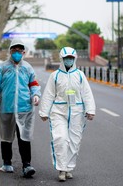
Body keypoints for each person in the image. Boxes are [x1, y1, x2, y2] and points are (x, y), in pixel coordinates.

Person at [0, 39, 41, 178]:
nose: (17, 53)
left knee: (24, 137)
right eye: (14, 50)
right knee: (6, 137)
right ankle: (6, 163)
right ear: (10, 51)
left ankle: (27, 165)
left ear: (23, 52)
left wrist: (35, 94)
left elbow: (34, 83)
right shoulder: (2, 68)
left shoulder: (28, 68)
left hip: (24, 109)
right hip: (6, 108)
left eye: (19, 50)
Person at [39, 47, 96, 182]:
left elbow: (86, 94)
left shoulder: (80, 75)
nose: (68, 60)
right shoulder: (55, 75)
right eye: (66, 58)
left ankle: (69, 167)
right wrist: (44, 112)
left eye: (71, 58)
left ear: (74, 59)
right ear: (61, 59)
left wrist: (90, 110)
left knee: (74, 141)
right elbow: (48, 94)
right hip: (58, 112)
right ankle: (61, 169)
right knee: (60, 138)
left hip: (77, 112)